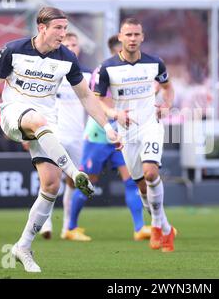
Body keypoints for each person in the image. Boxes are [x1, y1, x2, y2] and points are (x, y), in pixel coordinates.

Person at [0, 6, 121, 272]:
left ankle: (23, 246)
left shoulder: (67, 57)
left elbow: (86, 97)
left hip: (47, 124)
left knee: (51, 185)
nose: (63, 33)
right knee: (37, 121)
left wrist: (108, 126)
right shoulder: (13, 49)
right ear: (42, 27)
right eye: (58, 28)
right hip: (14, 114)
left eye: (65, 28)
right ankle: (75, 171)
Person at [95, 18, 176, 252]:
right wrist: (114, 113)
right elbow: (97, 100)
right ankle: (166, 226)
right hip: (127, 131)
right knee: (141, 185)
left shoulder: (155, 63)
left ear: (142, 37)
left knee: (151, 174)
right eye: (127, 35)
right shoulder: (107, 67)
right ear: (120, 37)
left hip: (151, 124)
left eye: (136, 35)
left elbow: (169, 87)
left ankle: (157, 226)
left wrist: (167, 105)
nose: (132, 39)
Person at [64, 35, 151, 242]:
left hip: (123, 135)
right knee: (88, 182)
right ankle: (71, 227)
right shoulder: (102, 71)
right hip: (99, 135)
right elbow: (96, 101)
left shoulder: (134, 73)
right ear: (115, 51)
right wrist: (113, 116)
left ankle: (139, 228)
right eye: (124, 48)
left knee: (131, 180)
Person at [38, 32, 94, 241]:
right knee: (48, 179)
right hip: (53, 133)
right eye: (67, 43)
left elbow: (95, 103)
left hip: (79, 136)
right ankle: (45, 223)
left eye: (74, 44)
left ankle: (68, 227)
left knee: (74, 181)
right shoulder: (49, 71)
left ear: (79, 48)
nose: (71, 47)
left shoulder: (87, 76)